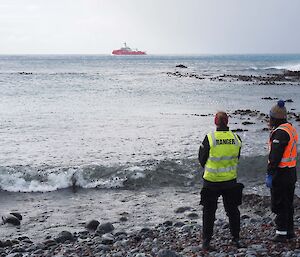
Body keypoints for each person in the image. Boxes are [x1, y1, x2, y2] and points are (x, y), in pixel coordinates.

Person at [198, 111, 244, 251]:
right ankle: (236, 239)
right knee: (233, 211)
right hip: (230, 181)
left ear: (215, 122)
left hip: (211, 181)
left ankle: (206, 242)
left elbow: (201, 159)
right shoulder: (236, 138)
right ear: (227, 121)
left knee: (209, 212)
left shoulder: (210, 138)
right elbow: (237, 157)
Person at [266, 100, 298, 242]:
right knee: (288, 203)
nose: (269, 120)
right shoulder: (290, 128)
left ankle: (281, 233)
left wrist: (270, 173)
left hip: (282, 173)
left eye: (270, 117)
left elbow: (275, 156)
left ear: (274, 118)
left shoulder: (280, 133)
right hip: (291, 172)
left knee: (279, 203)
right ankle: (290, 232)